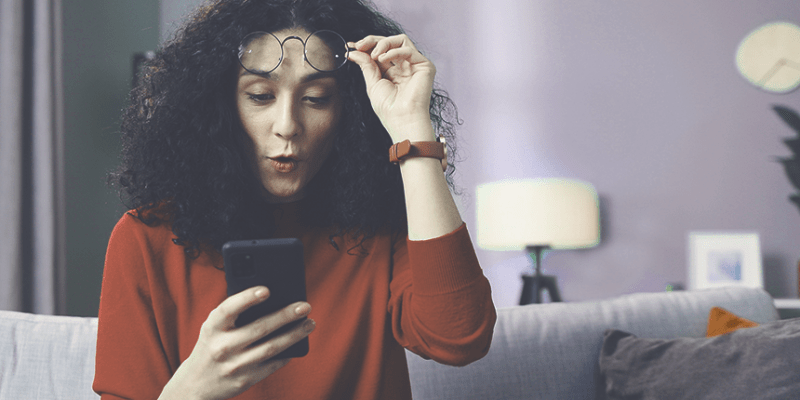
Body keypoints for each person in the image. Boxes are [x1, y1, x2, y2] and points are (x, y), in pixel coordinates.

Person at [92, 0, 496, 399]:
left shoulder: (382, 223)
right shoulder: (145, 239)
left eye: (316, 98)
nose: (287, 126)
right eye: (260, 96)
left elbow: (459, 337)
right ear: (221, 107)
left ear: (347, 110)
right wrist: (191, 389)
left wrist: (411, 125)